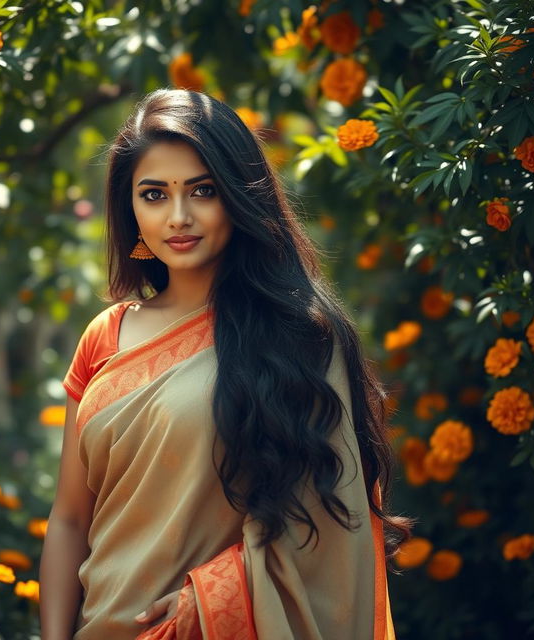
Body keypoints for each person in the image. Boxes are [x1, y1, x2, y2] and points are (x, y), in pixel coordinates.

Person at [39, 88, 410, 640]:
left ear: (239, 196)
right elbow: (70, 518)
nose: (179, 216)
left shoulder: (298, 338)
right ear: (130, 207)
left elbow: (331, 532)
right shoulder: (104, 338)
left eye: (203, 191)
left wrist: (211, 599)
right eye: (154, 195)